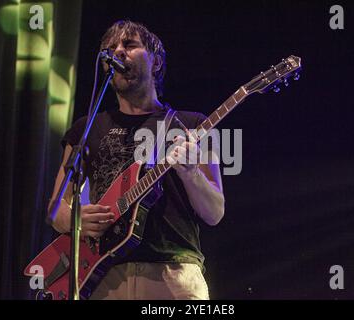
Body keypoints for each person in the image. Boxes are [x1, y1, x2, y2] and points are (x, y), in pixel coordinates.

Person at [49, 20, 224, 300]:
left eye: (129, 45)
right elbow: (55, 209)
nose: (118, 51)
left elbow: (215, 212)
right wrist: (75, 220)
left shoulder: (192, 124)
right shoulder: (86, 128)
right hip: (102, 277)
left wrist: (191, 172)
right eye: (110, 48)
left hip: (174, 275)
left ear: (156, 62)